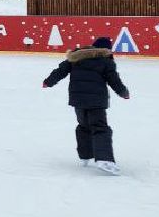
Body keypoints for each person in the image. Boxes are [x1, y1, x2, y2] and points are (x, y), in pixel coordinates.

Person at [42, 35, 131, 175]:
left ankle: (85, 155)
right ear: (107, 49)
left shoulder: (76, 57)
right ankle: (104, 159)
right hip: (96, 101)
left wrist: (48, 82)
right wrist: (123, 92)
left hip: (78, 100)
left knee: (84, 126)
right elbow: (114, 80)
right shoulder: (106, 61)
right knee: (100, 128)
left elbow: (60, 71)